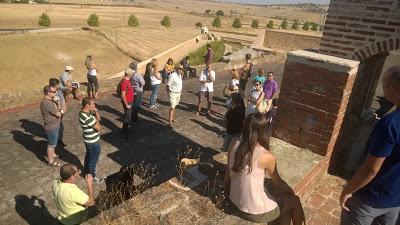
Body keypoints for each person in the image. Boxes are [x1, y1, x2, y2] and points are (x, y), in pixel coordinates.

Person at [340, 66, 400, 225]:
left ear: (393, 89)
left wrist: (348, 190)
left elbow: (371, 169)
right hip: (396, 199)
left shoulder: (391, 123)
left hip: (370, 196)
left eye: (384, 84)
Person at [224, 113, 305, 225]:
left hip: (236, 201)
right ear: (264, 131)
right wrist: (290, 191)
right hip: (255, 211)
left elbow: (228, 174)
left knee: (284, 211)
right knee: (294, 201)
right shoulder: (265, 156)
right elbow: (278, 182)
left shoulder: (234, 143)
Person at [79, 97, 104, 183]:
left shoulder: (86, 112)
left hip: (89, 140)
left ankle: (86, 171)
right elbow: (99, 128)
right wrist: (96, 120)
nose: (94, 105)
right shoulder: (87, 117)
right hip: (93, 142)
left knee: (88, 156)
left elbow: (99, 119)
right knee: (93, 160)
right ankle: (92, 176)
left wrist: (96, 112)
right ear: (87, 105)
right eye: (92, 104)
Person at [40, 85, 63, 167]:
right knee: (51, 145)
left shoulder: (51, 100)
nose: (56, 92)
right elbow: (59, 114)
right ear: (48, 93)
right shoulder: (47, 103)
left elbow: (59, 108)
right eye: (54, 92)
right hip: (52, 127)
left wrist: (58, 101)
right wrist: (60, 110)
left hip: (54, 126)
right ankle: (50, 161)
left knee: (53, 143)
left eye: (55, 91)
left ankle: (53, 155)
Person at [49, 78, 67, 146]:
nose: (59, 85)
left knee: (60, 126)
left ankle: (59, 140)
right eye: (58, 84)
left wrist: (64, 107)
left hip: (61, 111)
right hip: (55, 112)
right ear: (55, 85)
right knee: (56, 127)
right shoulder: (50, 93)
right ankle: (54, 141)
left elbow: (62, 101)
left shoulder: (58, 91)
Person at [119, 68, 134, 139]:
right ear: (129, 74)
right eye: (132, 73)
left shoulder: (126, 80)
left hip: (129, 100)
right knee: (127, 117)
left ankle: (124, 130)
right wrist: (126, 104)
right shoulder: (125, 82)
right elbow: (123, 94)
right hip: (128, 102)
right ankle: (125, 132)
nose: (132, 74)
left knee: (127, 116)